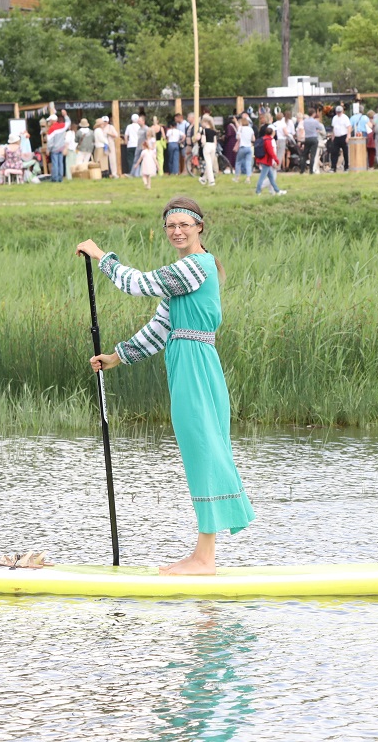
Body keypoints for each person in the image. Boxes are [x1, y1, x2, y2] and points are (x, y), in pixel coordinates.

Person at [76, 197, 255, 576]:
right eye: (170, 225)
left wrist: (100, 256)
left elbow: (139, 284)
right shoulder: (183, 272)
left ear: (199, 227)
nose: (177, 231)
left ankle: (204, 559)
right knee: (199, 449)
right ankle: (204, 554)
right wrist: (116, 357)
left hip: (196, 365)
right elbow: (160, 329)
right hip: (184, 362)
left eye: (184, 225)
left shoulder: (197, 266)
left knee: (203, 448)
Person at [253, 124, 286, 196]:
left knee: (271, 178)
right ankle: (258, 191)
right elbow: (271, 152)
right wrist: (276, 160)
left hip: (262, 160)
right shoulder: (269, 140)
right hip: (266, 161)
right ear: (272, 132)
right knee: (262, 177)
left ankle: (277, 191)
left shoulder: (263, 139)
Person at [233, 114, 255, 183]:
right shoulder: (250, 129)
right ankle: (248, 178)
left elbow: (238, 137)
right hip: (249, 147)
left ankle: (237, 177)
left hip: (242, 147)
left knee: (238, 162)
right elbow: (253, 139)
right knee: (248, 163)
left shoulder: (241, 128)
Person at [329, 105, 351, 172]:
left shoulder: (345, 118)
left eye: (340, 112)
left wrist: (348, 136)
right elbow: (334, 128)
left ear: (342, 111)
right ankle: (333, 167)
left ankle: (346, 167)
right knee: (334, 152)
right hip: (337, 137)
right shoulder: (334, 118)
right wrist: (333, 135)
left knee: (345, 153)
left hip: (343, 136)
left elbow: (349, 127)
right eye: (337, 112)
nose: (338, 113)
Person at [198, 113, 218, 187]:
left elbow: (203, 140)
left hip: (207, 146)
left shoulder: (203, 130)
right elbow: (215, 141)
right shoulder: (213, 131)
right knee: (211, 163)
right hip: (213, 146)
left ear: (206, 122)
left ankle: (211, 181)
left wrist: (202, 145)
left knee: (208, 164)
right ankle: (203, 179)